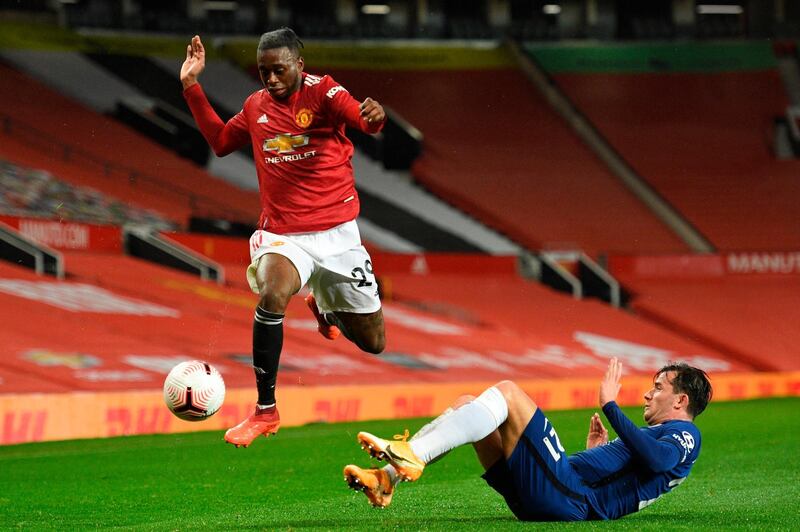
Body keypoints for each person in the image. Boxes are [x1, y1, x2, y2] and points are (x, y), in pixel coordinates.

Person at [180, 28, 387, 448]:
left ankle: (324, 307)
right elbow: (220, 142)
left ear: (299, 65)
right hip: (283, 234)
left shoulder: (325, 94)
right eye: (263, 72)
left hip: (339, 237)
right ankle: (265, 411)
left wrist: (374, 117)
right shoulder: (256, 107)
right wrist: (190, 85)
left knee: (374, 343)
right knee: (273, 294)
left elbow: (362, 120)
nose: (270, 79)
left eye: (278, 70)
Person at [344, 357, 712, 520]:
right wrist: (595, 457)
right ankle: (387, 479)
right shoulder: (660, 434)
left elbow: (659, 461)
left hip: (570, 501)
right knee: (467, 404)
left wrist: (611, 406)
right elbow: (635, 471)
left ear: (681, 400)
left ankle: (412, 455)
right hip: (558, 492)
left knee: (508, 392)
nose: (648, 394)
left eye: (658, 387)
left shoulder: (685, 435)